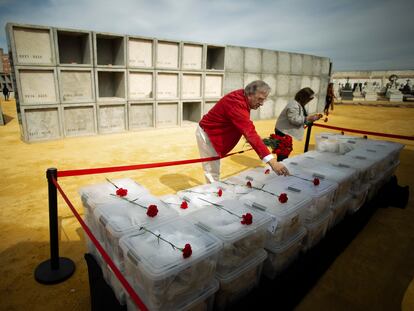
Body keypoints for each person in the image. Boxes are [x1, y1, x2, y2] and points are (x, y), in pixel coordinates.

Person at [196, 80, 289, 183]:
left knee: (213, 169)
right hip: (209, 135)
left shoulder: (242, 96)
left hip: (216, 134)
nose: (262, 104)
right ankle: (213, 194)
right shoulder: (236, 103)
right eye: (260, 99)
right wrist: (273, 162)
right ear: (250, 94)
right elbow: (250, 134)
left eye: (264, 100)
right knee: (212, 172)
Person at [274, 87, 322, 162]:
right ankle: (280, 169)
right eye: (309, 99)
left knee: (284, 152)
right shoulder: (293, 105)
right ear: (304, 97)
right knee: (283, 153)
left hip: (285, 132)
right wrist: (308, 118)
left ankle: (281, 167)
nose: (310, 101)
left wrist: (312, 119)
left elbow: (302, 119)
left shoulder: (299, 105)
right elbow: (294, 120)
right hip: (282, 132)